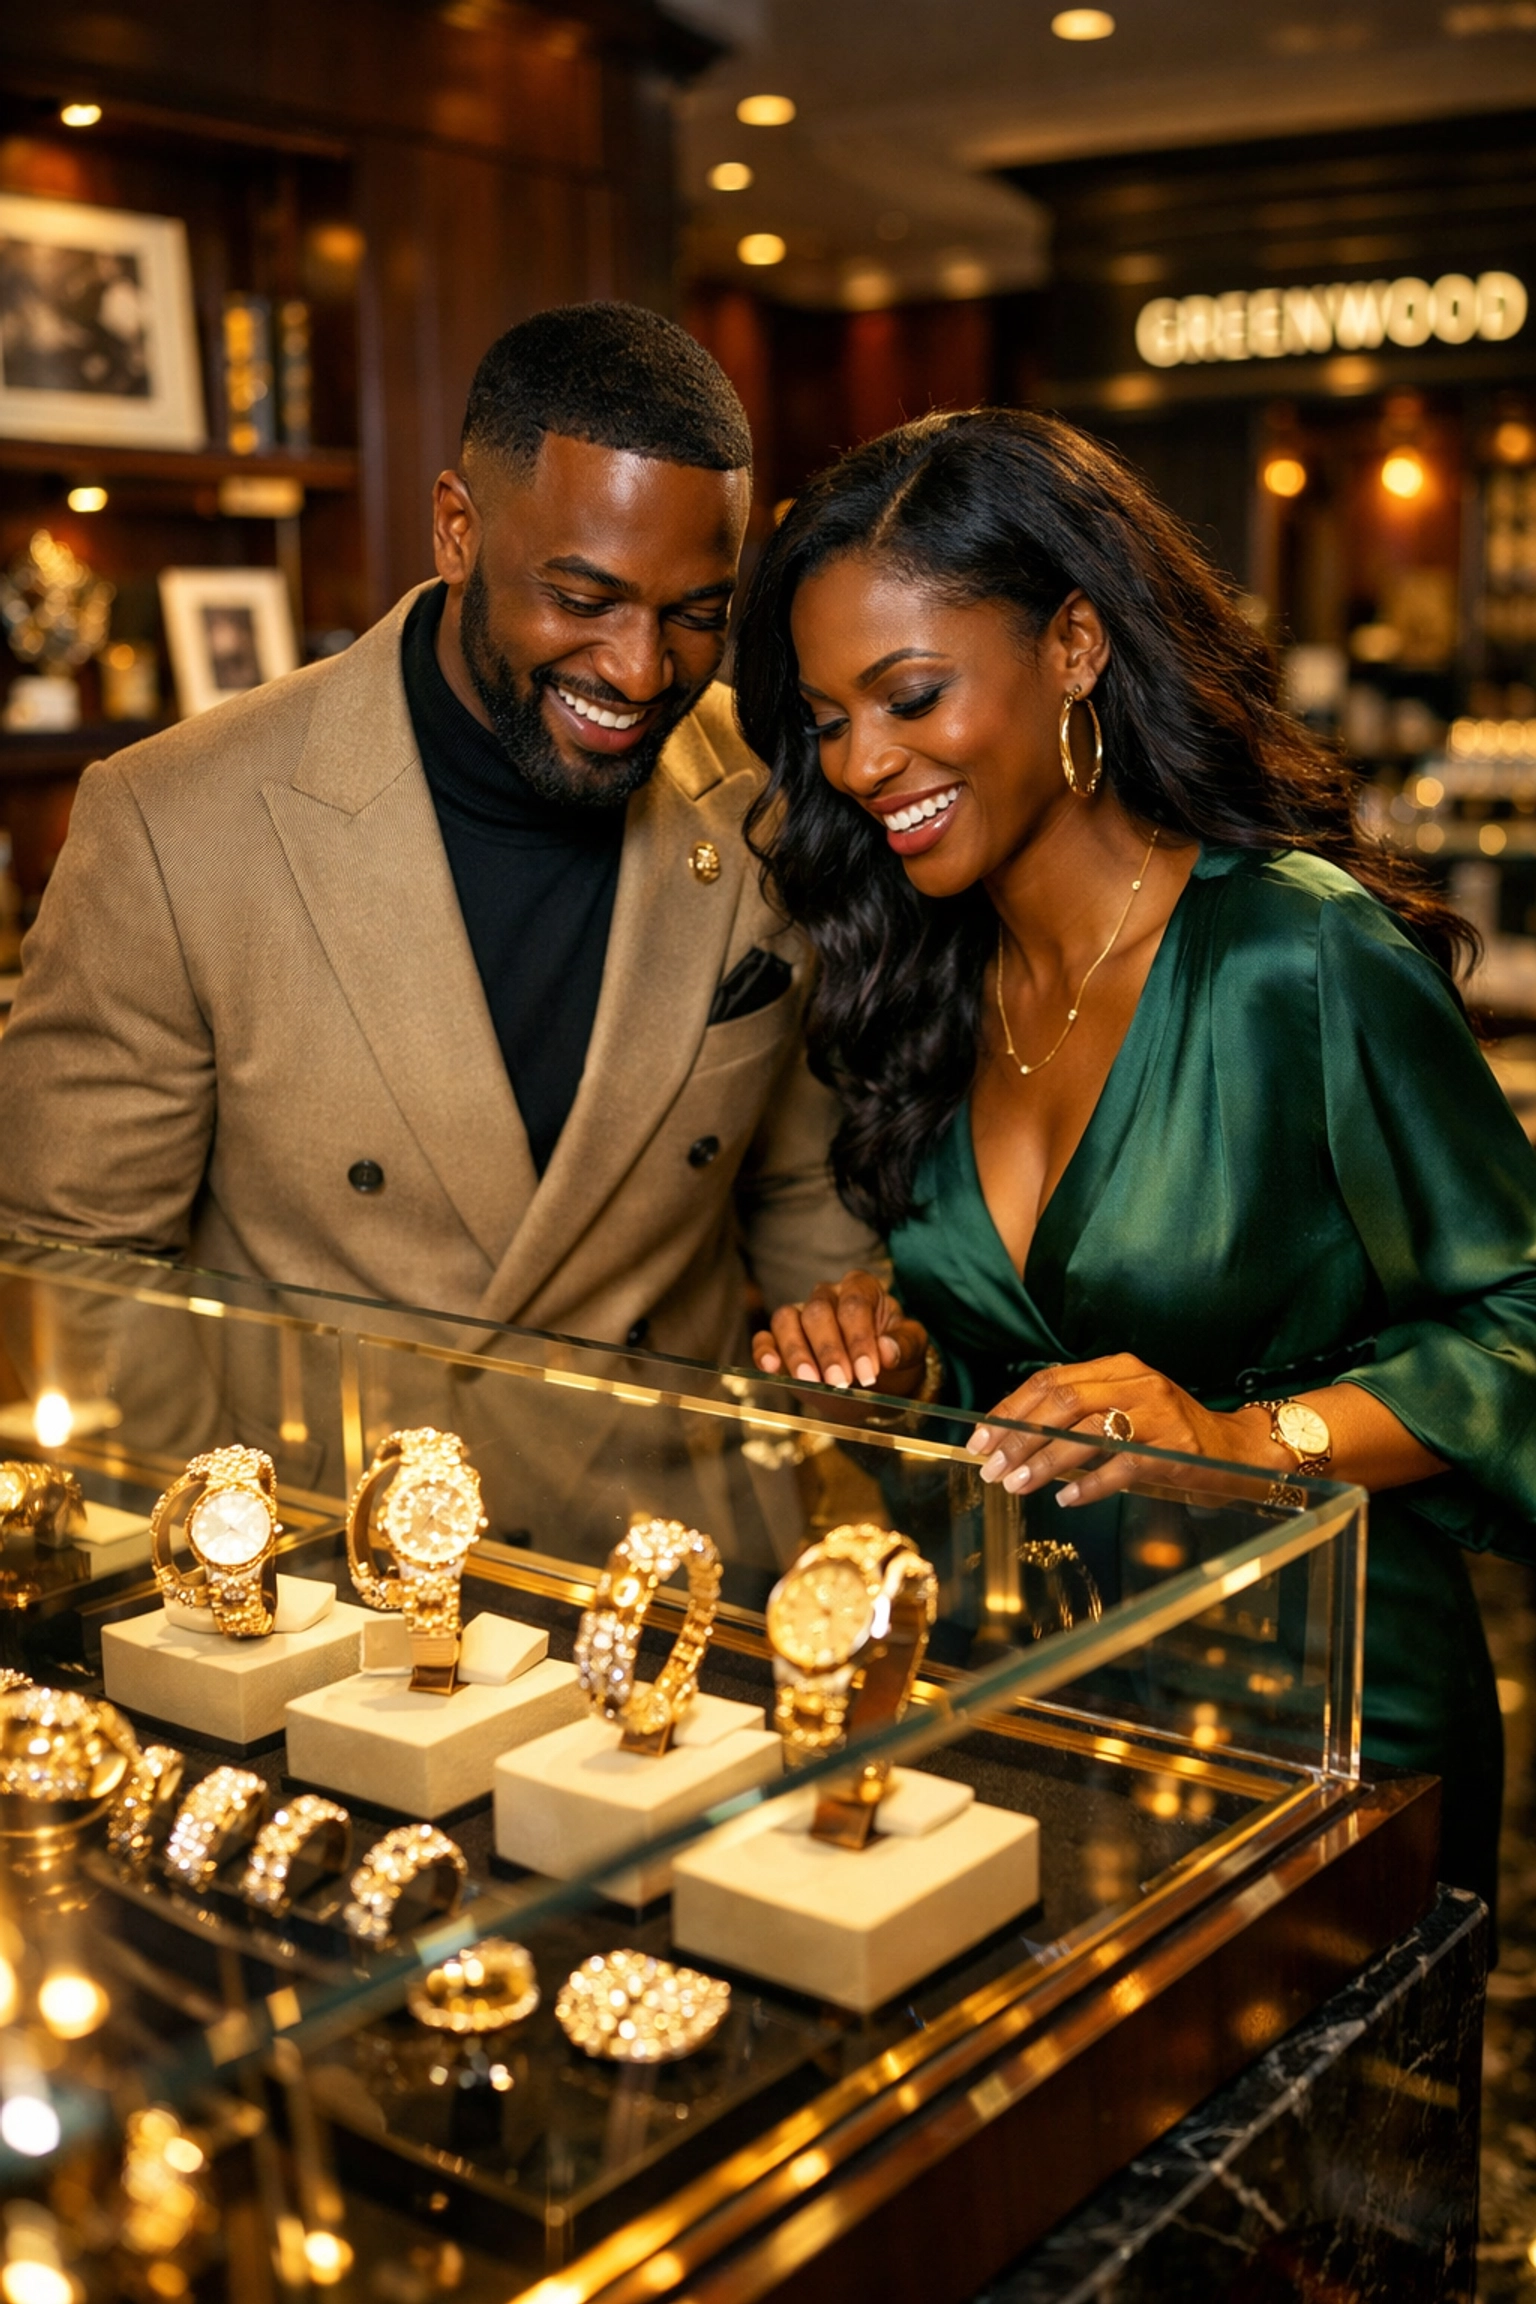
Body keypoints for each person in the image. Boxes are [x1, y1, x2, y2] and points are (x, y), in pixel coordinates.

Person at [736, 405, 1536, 1917]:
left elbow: (1521, 1330)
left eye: (910, 695)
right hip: (1033, 1709)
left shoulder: (1290, 956)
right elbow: (1032, 1394)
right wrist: (909, 1373)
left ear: (1078, 648)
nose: (861, 762)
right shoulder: (925, 983)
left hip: (1325, 1735)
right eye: (829, 719)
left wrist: (1250, 1440)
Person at [0, 303, 878, 1377]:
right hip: (320, 1525)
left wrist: (859, 1383)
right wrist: (227, 1535)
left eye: (696, 612)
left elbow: (804, 1194)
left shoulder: (768, 793)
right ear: (457, 530)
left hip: (670, 1520)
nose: (640, 670)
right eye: (581, 597)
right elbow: (81, 1271)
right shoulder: (169, 822)